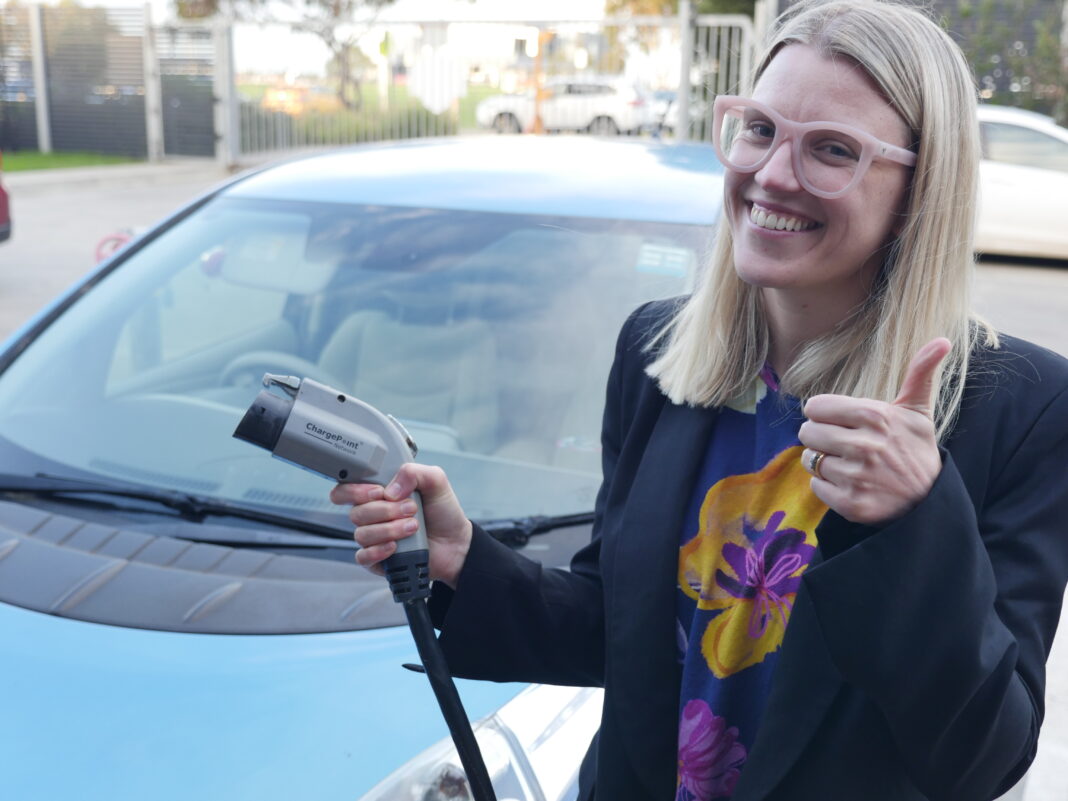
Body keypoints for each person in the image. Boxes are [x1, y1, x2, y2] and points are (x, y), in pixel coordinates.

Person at [330, 1, 1068, 798]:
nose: (773, 173)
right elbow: (625, 632)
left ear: (921, 186)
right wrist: (466, 561)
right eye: (758, 129)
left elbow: (984, 756)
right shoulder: (657, 352)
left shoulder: (1019, 408)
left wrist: (915, 523)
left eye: (831, 149)